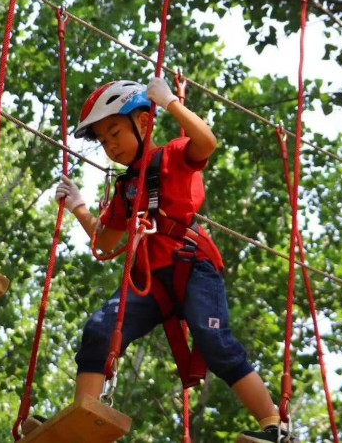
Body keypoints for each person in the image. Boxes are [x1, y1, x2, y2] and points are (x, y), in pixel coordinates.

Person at [44, 78, 291, 442]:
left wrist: (171, 102)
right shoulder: (126, 189)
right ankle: (82, 420)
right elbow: (105, 240)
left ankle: (276, 427)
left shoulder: (174, 155)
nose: (111, 146)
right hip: (151, 283)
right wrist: (79, 205)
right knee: (99, 331)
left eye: (115, 133)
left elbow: (206, 142)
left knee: (213, 341)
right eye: (104, 141)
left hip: (192, 266)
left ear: (143, 123)